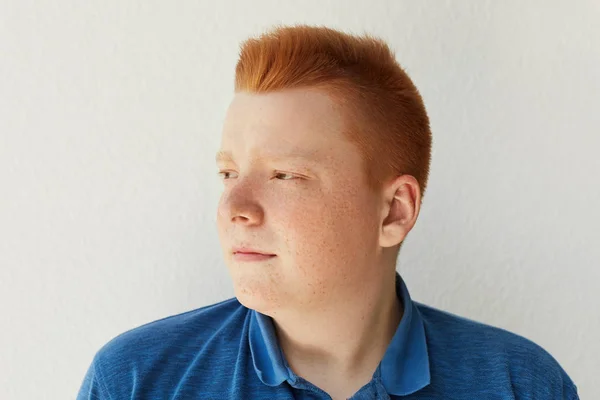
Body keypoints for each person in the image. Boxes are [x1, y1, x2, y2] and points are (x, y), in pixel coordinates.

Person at [77, 24, 579, 400]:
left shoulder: (523, 385)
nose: (234, 207)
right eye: (228, 174)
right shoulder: (136, 381)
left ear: (393, 213)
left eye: (284, 175)